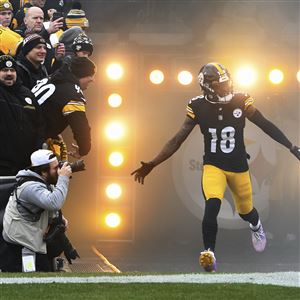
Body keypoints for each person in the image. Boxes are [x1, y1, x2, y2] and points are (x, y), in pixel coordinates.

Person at [131, 62, 300, 272]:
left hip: (239, 166)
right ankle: (208, 253)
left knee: (246, 211)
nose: (227, 87)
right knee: (212, 205)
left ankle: (256, 226)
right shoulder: (197, 106)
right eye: (221, 84)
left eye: (227, 82)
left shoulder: (240, 100)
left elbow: (265, 124)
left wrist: (291, 147)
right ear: (209, 87)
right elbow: (177, 140)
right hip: (214, 165)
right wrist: (153, 163)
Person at [2, 149, 72, 272]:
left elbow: (47, 207)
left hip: (29, 239)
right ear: (44, 171)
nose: (59, 171)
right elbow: (53, 203)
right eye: (56, 168)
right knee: (32, 277)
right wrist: (63, 178)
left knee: (44, 273)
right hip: (20, 244)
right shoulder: (30, 187)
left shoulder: (42, 182)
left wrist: (58, 218)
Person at [32, 56, 96, 158]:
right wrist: (84, 148)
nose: (93, 80)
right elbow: (80, 125)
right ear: (81, 73)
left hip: (21, 129)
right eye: (91, 75)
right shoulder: (72, 93)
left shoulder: (54, 77)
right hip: (31, 140)